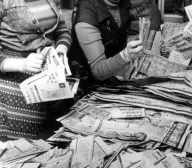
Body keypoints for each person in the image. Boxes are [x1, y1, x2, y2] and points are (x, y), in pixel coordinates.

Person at [0, 0, 72, 141]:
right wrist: (21, 64)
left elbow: (63, 32)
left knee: (56, 146)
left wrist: (61, 50)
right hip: (15, 90)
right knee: (22, 152)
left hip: (49, 81)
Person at [73, 0, 161, 82]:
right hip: (88, 82)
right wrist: (125, 56)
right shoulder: (86, 17)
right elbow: (98, 71)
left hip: (115, 73)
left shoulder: (121, 3)